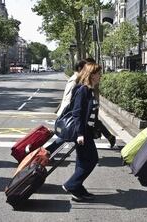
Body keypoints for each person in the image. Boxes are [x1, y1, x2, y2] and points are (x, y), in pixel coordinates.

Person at [47, 58, 116, 153]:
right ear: (81, 68)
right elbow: (71, 100)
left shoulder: (81, 81)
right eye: (85, 67)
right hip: (72, 114)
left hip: (78, 117)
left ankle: (46, 152)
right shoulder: (78, 82)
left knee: (71, 136)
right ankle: (46, 152)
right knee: (68, 135)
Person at [62, 63, 102, 202]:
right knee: (92, 159)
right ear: (91, 74)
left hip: (87, 132)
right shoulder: (83, 90)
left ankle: (78, 188)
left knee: (82, 160)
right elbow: (77, 113)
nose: (100, 76)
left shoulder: (90, 89)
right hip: (82, 132)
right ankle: (71, 185)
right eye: (98, 73)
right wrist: (80, 134)